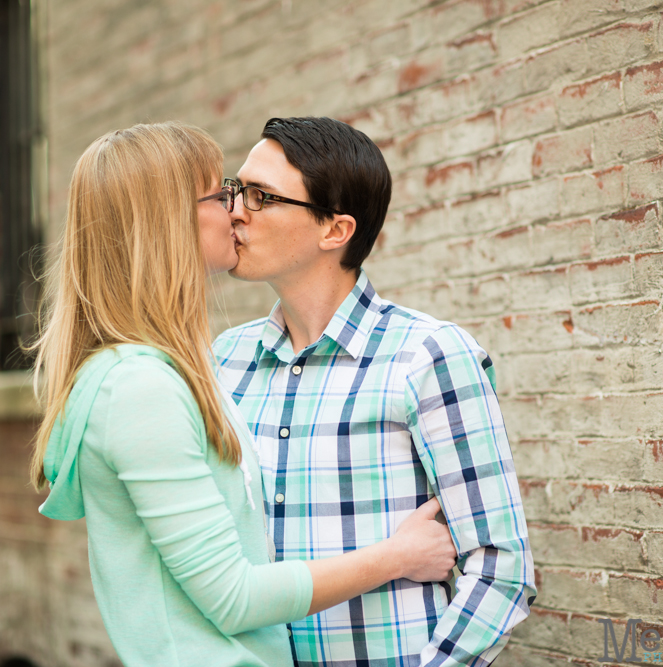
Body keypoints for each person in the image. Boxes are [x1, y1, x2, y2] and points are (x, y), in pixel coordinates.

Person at [29, 122, 458, 667]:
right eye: (223, 193)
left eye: (254, 196)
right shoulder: (141, 387)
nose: (236, 211)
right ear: (167, 223)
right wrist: (398, 556)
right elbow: (234, 597)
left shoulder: (179, 369)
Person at [213, 116, 536, 667]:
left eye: (262, 196)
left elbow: (501, 568)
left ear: (334, 230)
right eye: (236, 190)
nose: (235, 210)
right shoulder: (224, 360)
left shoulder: (429, 355)